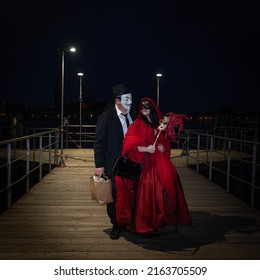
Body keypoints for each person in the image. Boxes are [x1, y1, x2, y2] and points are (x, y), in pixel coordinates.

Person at [115, 97, 192, 235]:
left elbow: (164, 141)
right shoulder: (137, 124)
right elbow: (128, 145)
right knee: (149, 189)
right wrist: (146, 149)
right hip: (145, 163)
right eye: (142, 107)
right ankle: (148, 221)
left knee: (167, 185)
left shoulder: (158, 123)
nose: (144, 109)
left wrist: (163, 147)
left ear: (151, 109)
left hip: (159, 161)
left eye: (147, 107)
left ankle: (162, 219)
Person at [94, 83, 137, 239]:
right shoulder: (107, 117)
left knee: (130, 193)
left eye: (131, 98)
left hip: (131, 164)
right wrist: (99, 165)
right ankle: (116, 224)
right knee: (114, 195)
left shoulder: (134, 116)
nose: (130, 102)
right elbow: (99, 143)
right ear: (117, 100)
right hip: (113, 164)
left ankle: (128, 221)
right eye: (127, 99)